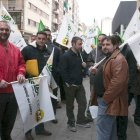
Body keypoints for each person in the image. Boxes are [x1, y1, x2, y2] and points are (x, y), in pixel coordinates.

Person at [91, 35, 129, 140]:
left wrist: (105, 99)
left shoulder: (118, 59)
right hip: (106, 100)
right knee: (110, 131)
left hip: (107, 101)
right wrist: (96, 72)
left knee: (102, 131)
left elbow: (117, 83)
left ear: (116, 45)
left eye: (108, 44)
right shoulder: (110, 56)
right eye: (103, 44)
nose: (104, 47)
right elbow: (107, 75)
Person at [21, 31, 52, 140]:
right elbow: (20, 63)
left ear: (46, 39)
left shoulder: (48, 51)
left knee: (41, 106)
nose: (41, 40)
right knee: (29, 108)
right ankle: (27, 132)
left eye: (44, 39)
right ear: (36, 38)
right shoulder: (27, 49)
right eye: (39, 38)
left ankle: (40, 129)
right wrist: (24, 75)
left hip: (43, 83)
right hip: (30, 83)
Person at [0, 21, 26, 140]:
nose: (4, 32)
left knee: (10, 120)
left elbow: (21, 64)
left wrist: (21, 73)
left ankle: (6, 137)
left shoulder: (15, 49)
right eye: (1, 29)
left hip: (13, 92)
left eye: (6, 30)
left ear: (10, 32)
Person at [59, 36, 91, 132]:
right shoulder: (66, 56)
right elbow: (63, 71)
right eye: (79, 44)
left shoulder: (80, 54)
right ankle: (71, 123)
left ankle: (80, 120)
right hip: (70, 86)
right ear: (73, 43)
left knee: (83, 103)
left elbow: (82, 70)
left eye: (81, 44)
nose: (81, 46)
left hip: (79, 84)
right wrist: (68, 83)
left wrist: (84, 66)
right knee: (70, 105)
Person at [114, 34, 138, 140]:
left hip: (125, 90)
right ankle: (117, 132)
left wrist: (126, 87)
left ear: (117, 43)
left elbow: (132, 71)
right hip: (117, 89)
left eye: (111, 43)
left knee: (122, 114)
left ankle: (122, 136)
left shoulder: (128, 51)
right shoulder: (117, 52)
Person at [86, 34, 106, 119]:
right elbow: (88, 61)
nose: (100, 42)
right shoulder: (94, 51)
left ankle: (101, 113)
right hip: (94, 78)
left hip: (105, 79)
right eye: (99, 40)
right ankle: (90, 114)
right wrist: (92, 64)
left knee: (102, 97)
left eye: (102, 40)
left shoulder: (107, 51)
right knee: (92, 96)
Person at [43, 28, 61, 122]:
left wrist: (56, 72)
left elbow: (59, 63)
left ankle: (52, 116)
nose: (47, 36)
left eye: (49, 35)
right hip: (41, 78)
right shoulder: (35, 48)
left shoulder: (56, 49)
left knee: (53, 97)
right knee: (42, 99)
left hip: (53, 78)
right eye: (46, 34)